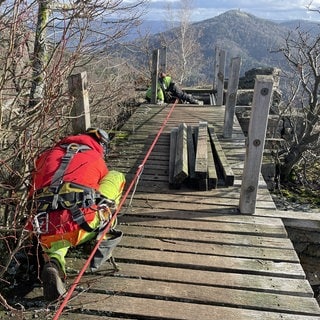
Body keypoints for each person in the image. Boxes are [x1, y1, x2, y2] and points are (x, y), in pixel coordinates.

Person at [26, 128, 126, 301]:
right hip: (82, 225)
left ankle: (54, 263)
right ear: (100, 144)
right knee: (116, 176)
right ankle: (108, 221)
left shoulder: (45, 156)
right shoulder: (95, 158)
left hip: (42, 228)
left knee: (57, 233)